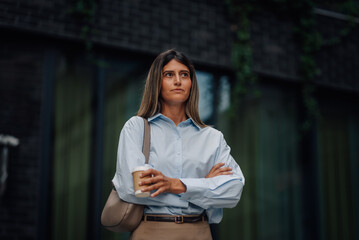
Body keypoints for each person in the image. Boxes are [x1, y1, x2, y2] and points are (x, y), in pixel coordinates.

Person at [112, 49, 245, 240]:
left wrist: (176, 185)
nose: (177, 81)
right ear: (157, 82)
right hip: (151, 231)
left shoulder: (212, 137)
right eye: (169, 75)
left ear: (191, 83)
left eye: (184, 75)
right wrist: (204, 185)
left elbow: (233, 190)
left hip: (200, 232)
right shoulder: (137, 128)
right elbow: (133, 189)